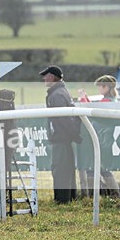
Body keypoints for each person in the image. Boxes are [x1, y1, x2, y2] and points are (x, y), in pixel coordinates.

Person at [40, 65, 80, 204]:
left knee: (60, 168)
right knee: (66, 168)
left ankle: (62, 200)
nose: (44, 78)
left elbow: (63, 118)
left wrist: (74, 134)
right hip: (65, 138)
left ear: (52, 77)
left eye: (46, 76)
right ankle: (70, 197)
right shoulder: (62, 91)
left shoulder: (56, 94)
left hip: (61, 138)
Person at [77, 74, 120, 197]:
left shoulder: (106, 101)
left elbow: (91, 112)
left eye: (100, 87)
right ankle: (113, 194)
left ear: (106, 87)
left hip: (101, 139)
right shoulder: (110, 100)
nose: (98, 90)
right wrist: (85, 97)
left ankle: (98, 195)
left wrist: (82, 98)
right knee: (103, 169)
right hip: (104, 139)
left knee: (99, 168)